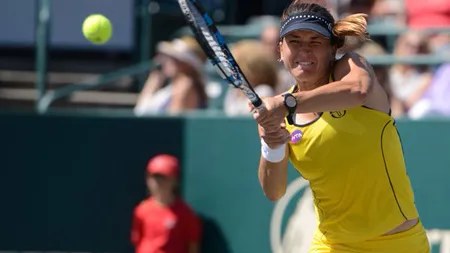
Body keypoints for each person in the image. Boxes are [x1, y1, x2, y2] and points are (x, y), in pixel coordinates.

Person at [249, 0, 430, 252]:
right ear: (280, 49)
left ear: (333, 48)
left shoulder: (351, 68)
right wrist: (272, 143)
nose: (304, 50)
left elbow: (357, 91)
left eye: (315, 42)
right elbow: (274, 191)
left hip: (397, 243)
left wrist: (286, 102)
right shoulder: (278, 115)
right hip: (332, 244)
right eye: (295, 41)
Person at [131, 154, 201, 253]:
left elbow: (193, 245)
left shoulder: (186, 213)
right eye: (154, 178)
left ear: (174, 181)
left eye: (163, 178)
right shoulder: (141, 210)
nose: (158, 183)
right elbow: (138, 240)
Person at [134, 36, 208, 115]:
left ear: (186, 64)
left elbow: (173, 124)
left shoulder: (184, 86)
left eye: (173, 58)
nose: (165, 61)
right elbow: (139, 112)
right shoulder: (174, 86)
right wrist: (153, 81)